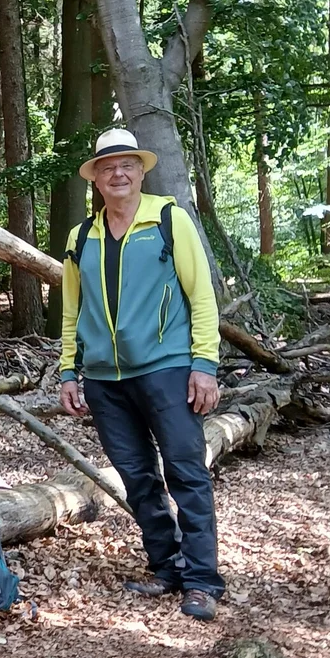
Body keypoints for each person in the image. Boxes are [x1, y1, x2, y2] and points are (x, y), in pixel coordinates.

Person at [57, 127, 224, 621]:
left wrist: (204, 364)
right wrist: (69, 371)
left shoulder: (170, 219)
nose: (119, 173)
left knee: (186, 471)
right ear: (96, 178)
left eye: (127, 164)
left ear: (141, 170)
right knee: (137, 476)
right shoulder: (81, 236)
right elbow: (72, 309)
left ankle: (201, 579)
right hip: (105, 379)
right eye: (108, 167)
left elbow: (202, 296)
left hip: (167, 367)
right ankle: (166, 566)